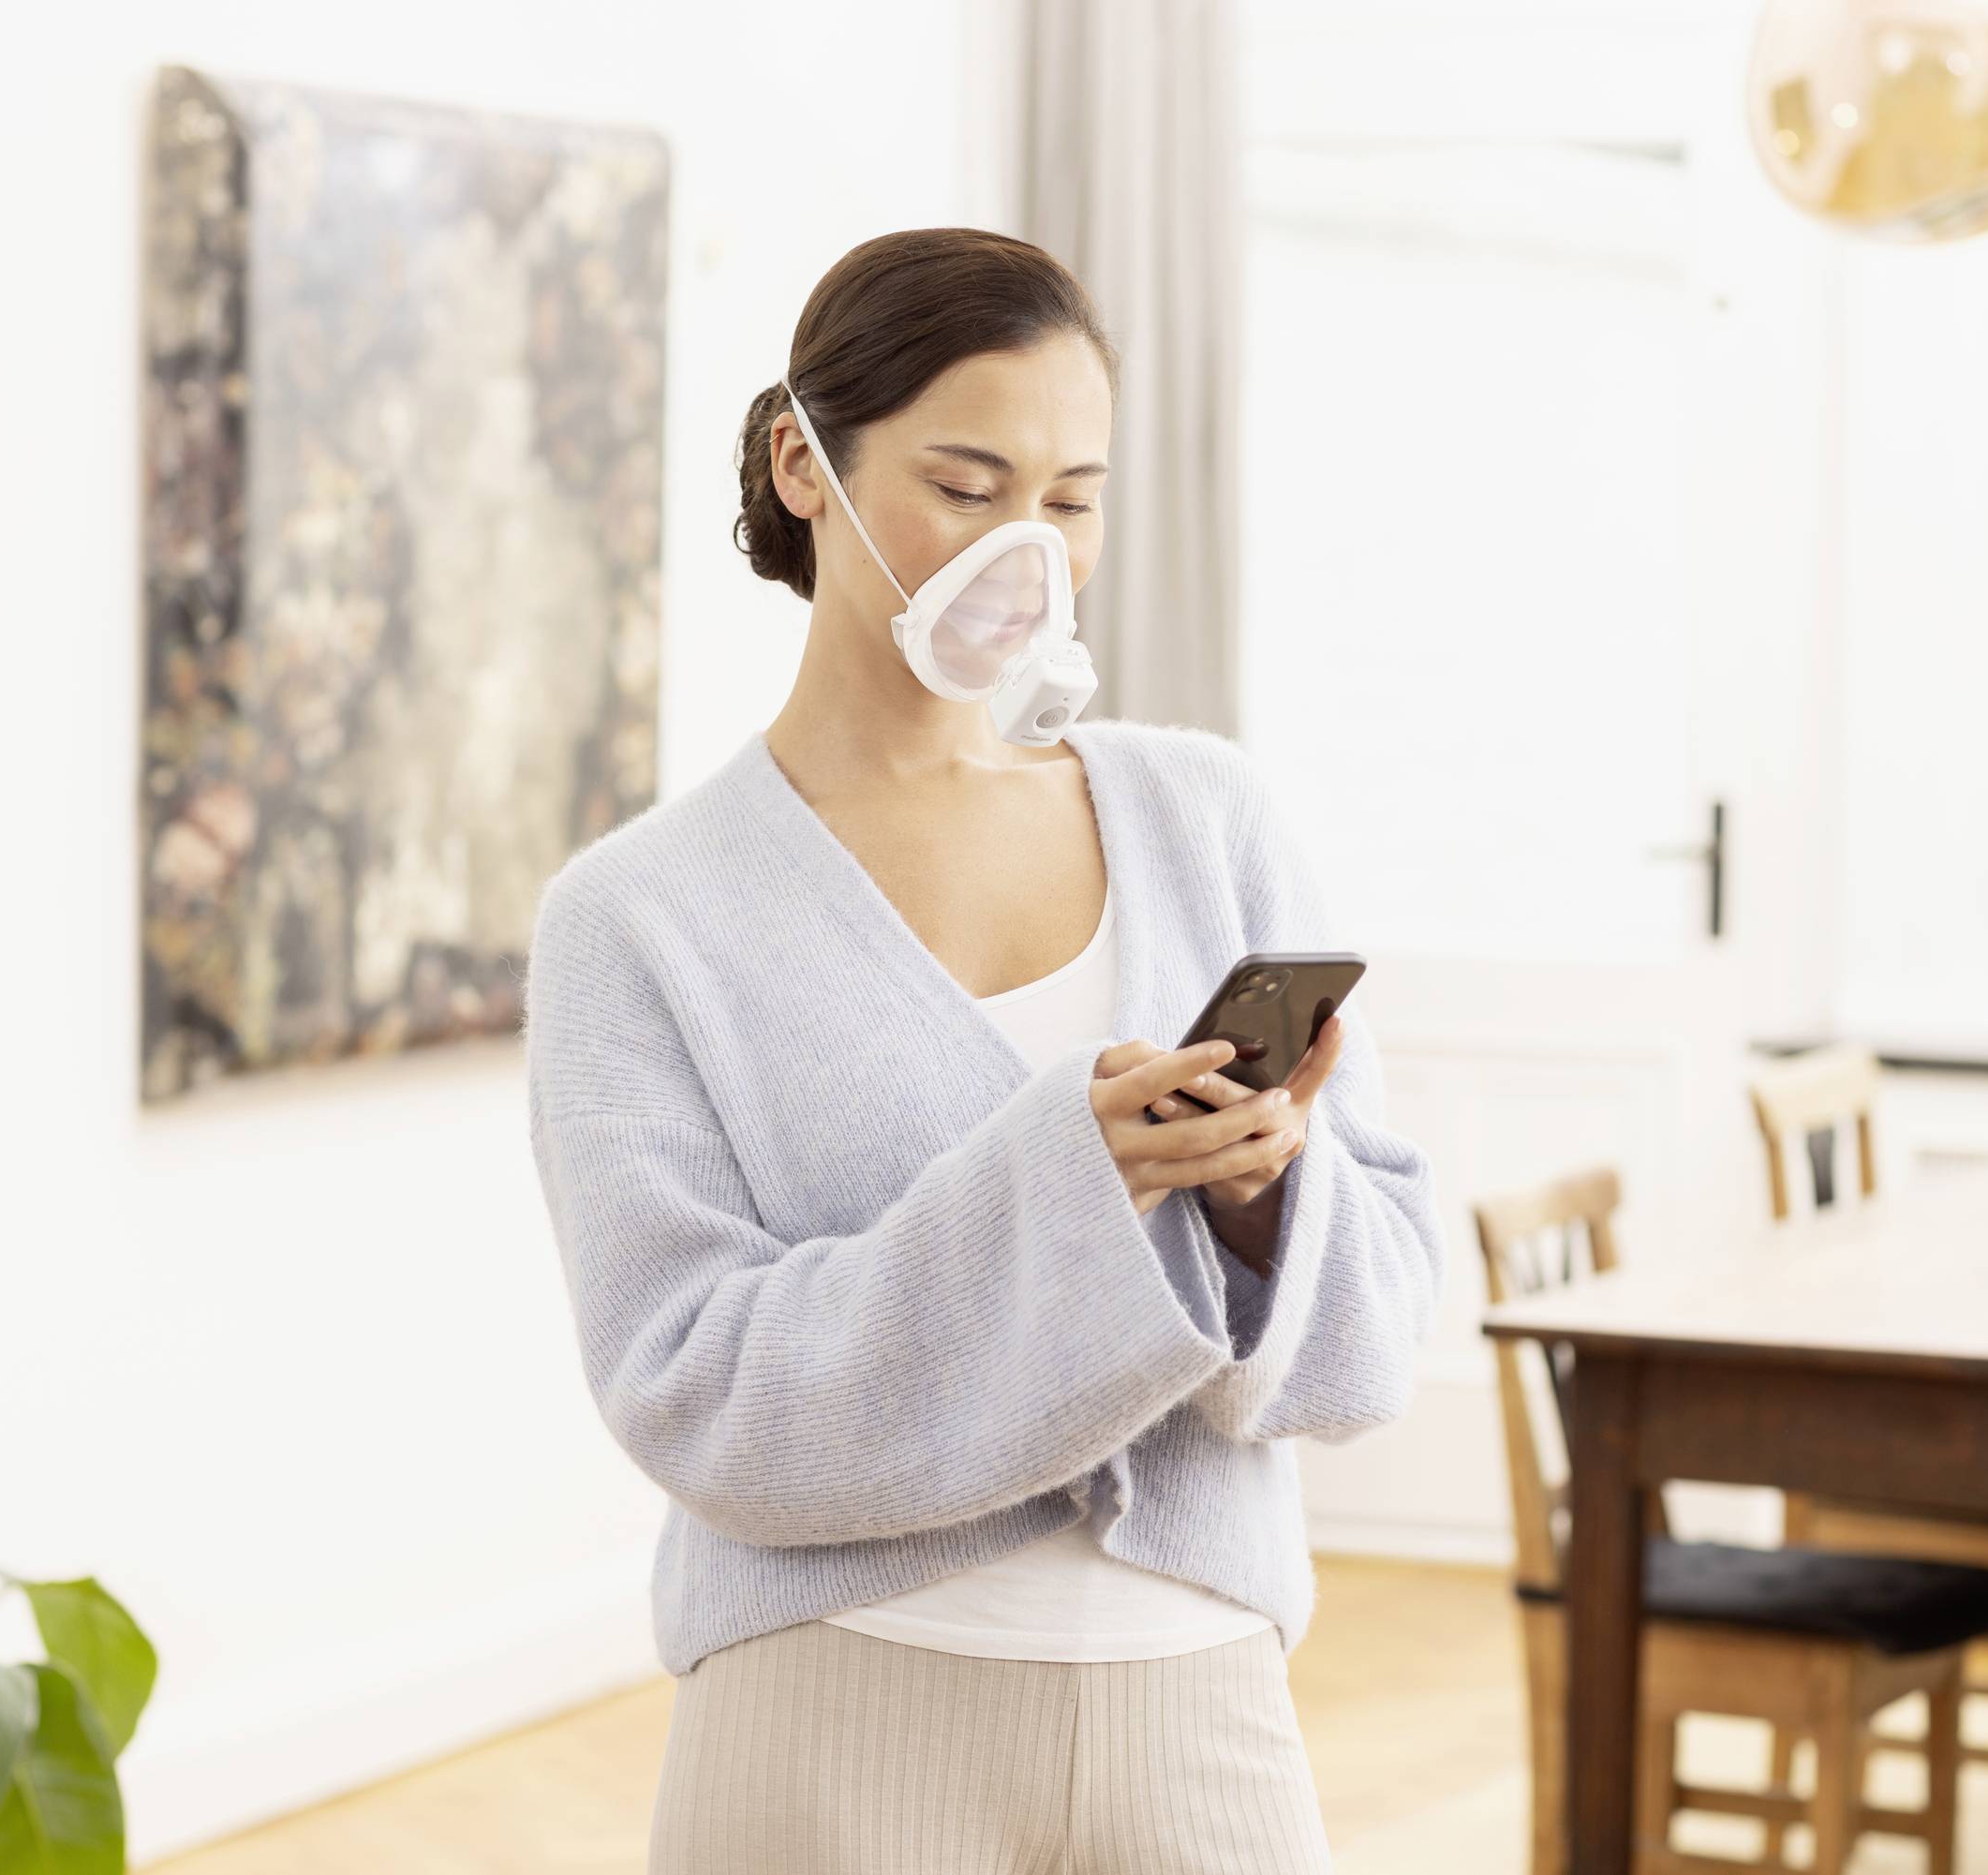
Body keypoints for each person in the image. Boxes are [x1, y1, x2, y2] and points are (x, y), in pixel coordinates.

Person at [523, 227, 1447, 1874]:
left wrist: (1251, 1204)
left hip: (1199, 1700)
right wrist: (1068, 1178)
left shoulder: (1205, 819)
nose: (1025, 549)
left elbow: (1378, 1327)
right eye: (966, 484)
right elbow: (690, 1385)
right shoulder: (637, 918)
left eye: (1072, 497)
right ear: (806, 464)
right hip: (830, 1721)